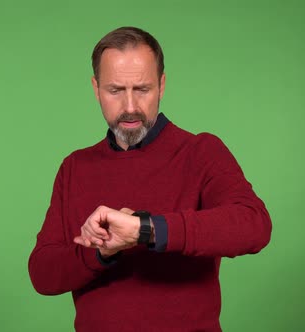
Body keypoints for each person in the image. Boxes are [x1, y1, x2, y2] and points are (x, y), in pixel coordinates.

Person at [28, 26, 272, 332]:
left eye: (142, 89)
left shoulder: (201, 152)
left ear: (162, 85)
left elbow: (254, 225)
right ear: (96, 88)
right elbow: (43, 274)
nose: (130, 107)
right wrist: (103, 250)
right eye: (115, 90)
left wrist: (145, 230)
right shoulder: (75, 167)